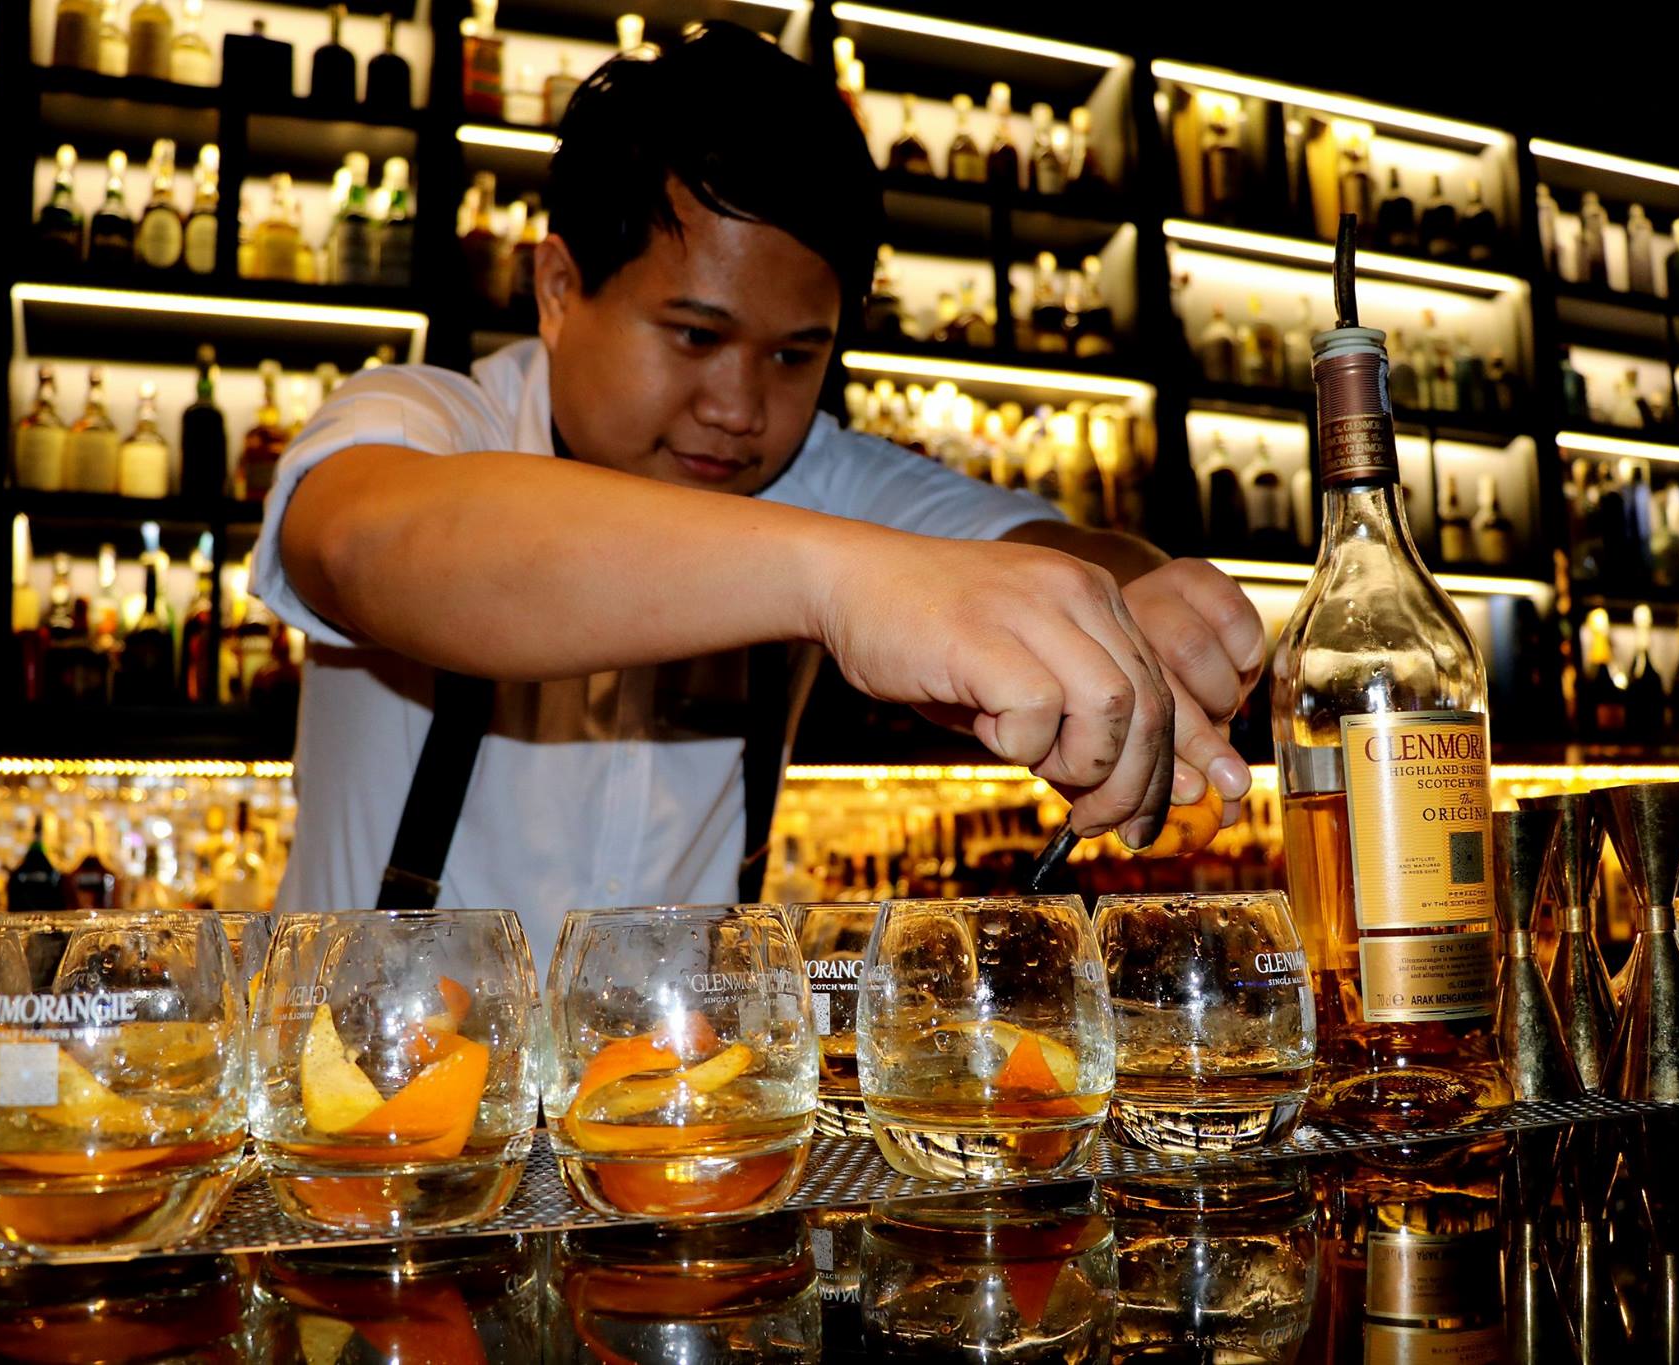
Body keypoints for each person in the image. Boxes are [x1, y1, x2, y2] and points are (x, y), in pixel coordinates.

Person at [254, 23, 1263, 969]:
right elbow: (361, 547)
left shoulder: (821, 478)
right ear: (557, 289)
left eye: (793, 356)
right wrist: (834, 582)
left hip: (677, 1084)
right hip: (361, 1081)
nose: (738, 410)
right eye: (695, 336)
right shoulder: (423, 419)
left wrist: (1138, 606)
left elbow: (1063, 555)